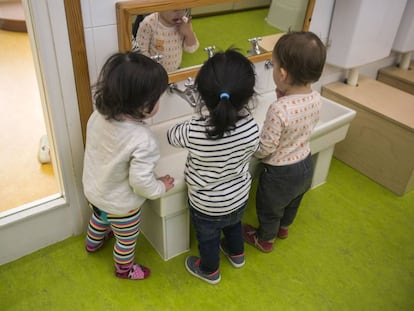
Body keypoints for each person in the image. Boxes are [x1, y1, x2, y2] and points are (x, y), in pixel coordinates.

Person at [167, 49, 260, 284]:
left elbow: (171, 136)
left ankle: (209, 270)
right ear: (248, 96)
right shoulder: (251, 127)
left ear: (202, 96)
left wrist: (193, 121)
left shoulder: (195, 130)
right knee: (233, 225)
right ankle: (237, 254)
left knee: (208, 239)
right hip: (238, 195)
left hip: (206, 204)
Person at [83, 52, 175, 280]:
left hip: (95, 191)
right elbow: (141, 182)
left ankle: (92, 243)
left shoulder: (97, 116)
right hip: (123, 208)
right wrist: (160, 187)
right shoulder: (143, 139)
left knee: (99, 218)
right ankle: (124, 269)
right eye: (157, 98)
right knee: (126, 240)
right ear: (144, 105)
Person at [243, 31, 327, 253]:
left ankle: (265, 239)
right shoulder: (316, 97)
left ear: (281, 73)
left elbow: (266, 147)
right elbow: (301, 124)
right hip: (305, 163)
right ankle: (284, 229)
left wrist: (251, 152)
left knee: (270, 208)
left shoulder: (278, 108)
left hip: (280, 173)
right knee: (293, 202)